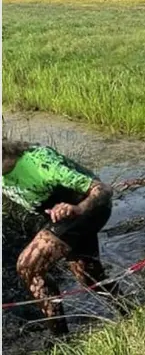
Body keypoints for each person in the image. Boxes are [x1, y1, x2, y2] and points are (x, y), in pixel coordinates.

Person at [2, 141, 120, 335]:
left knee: (28, 266)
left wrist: (78, 208)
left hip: (87, 207)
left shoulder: (39, 163)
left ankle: (60, 339)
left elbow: (103, 190)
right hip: (58, 217)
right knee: (88, 277)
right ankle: (129, 311)